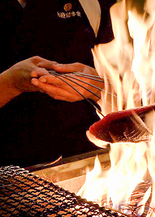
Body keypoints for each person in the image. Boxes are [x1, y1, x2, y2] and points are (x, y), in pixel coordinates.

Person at [0, 0, 115, 167]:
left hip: (90, 165)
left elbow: (128, 91)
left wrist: (97, 86)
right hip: (10, 171)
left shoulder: (95, 4)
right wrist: (10, 83)